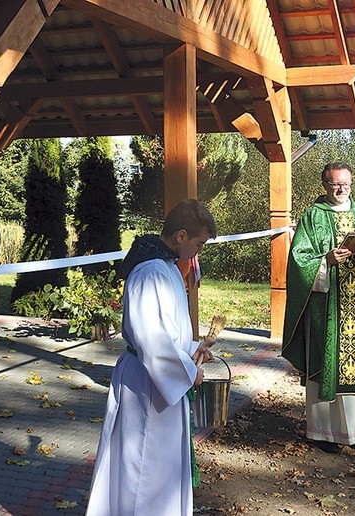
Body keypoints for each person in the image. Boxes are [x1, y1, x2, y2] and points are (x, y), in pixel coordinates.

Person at [86, 199, 217, 516]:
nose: (198, 252)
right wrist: (188, 371)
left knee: (159, 466)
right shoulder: (150, 272)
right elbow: (151, 338)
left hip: (159, 382)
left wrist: (191, 349)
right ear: (181, 236)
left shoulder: (167, 266)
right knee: (142, 467)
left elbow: (167, 328)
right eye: (199, 244)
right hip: (146, 386)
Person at [281, 162, 355, 453]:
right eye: (335, 184)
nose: (341, 190)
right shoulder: (312, 217)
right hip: (326, 308)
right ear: (324, 185)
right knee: (327, 363)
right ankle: (325, 434)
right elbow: (298, 262)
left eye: (346, 184)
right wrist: (325, 261)